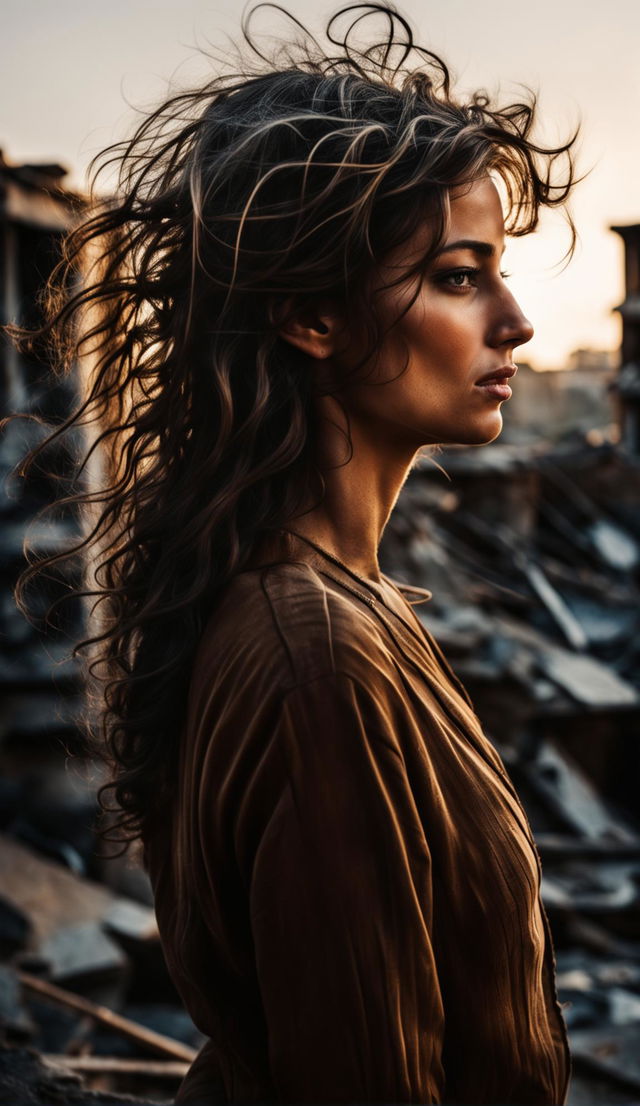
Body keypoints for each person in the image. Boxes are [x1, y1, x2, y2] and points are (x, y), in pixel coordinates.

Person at [10, 3, 579, 1102]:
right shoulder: (318, 660)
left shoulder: (343, 606)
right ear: (311, 313)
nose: (516, 320)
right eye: (460, 275)